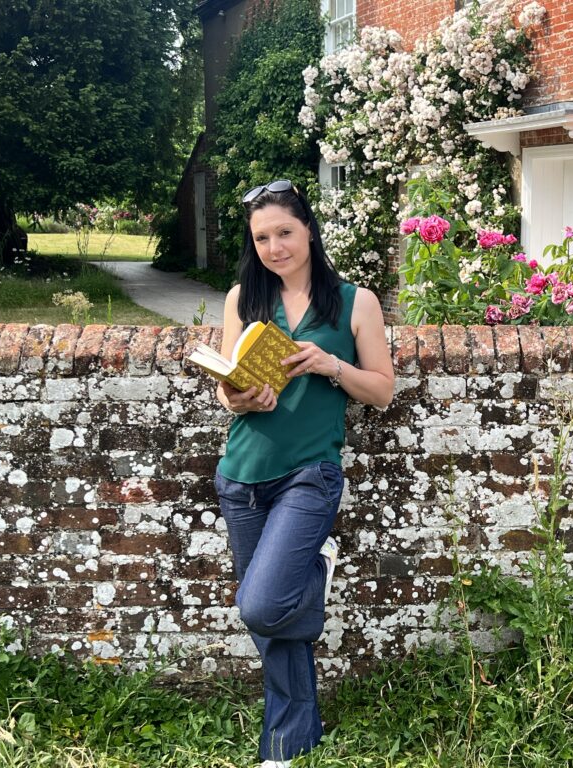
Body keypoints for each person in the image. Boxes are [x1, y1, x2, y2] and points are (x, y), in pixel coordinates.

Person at [213, 179, 395, 767]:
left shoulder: (353, 301)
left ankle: (314, 567)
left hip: (309, 475)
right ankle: (289, 741)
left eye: (284, 232)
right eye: (262, 237)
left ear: (308, 231)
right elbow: (226, 386)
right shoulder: (244, 298)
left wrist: (329, 363)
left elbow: (383, 391)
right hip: (242, 472)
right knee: (272, 625)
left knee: (263, 604)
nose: (274, 247)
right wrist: (240, 398)